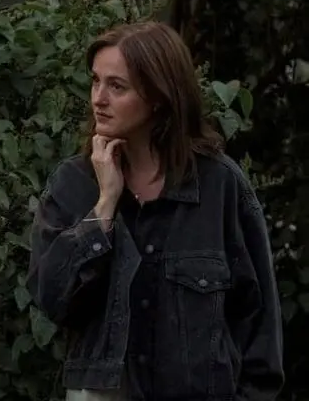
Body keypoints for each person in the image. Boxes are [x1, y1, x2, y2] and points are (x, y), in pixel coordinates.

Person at [27, 21, 284, 401]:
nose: (99, 98)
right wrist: (105, 205)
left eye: (117, 86)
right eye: (95, 81)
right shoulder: (74, 183)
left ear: (159, 97)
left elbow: (259, 320)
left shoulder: (220, 186)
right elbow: (52, 299)